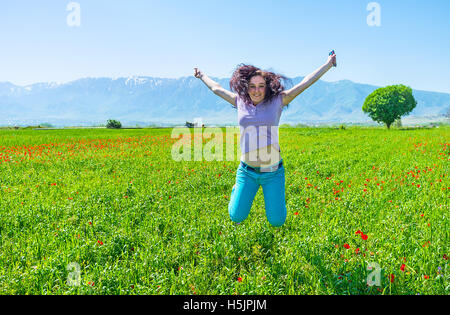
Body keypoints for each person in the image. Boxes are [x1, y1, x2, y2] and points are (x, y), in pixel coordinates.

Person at [194, 52, 337, 227]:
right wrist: (201, 75)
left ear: (267, 87)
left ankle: (275, 198)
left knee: (277, 221)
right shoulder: (239, 101)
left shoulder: (278, 100)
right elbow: (216, 88)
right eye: (252, 86)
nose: (256, 90)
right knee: (236, 217)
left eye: (261, 86)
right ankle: (236, 191)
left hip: (273, 172)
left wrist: (328, 64)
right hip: (247, 171)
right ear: (246, 87)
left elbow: (305, 82)